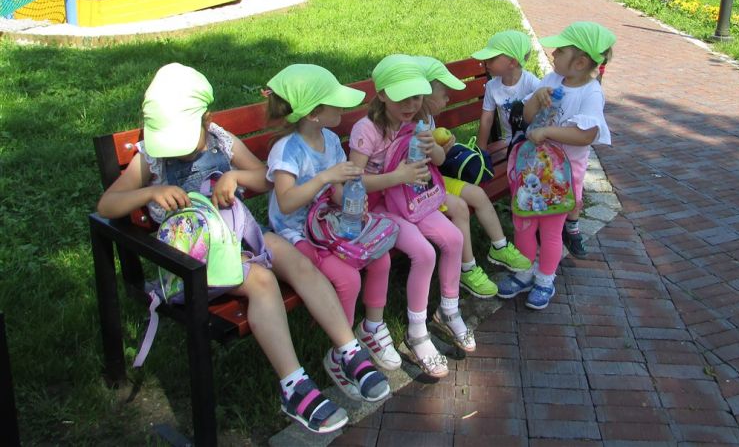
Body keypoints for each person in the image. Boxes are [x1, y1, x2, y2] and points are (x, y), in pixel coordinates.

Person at [96, 63, 388, 435]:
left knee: (296, 262)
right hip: (196, 257)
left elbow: (264, 179)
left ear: (206, 120)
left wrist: (234, 176)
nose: (177, 149)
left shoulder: (221, 140)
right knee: (262, 280)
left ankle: (349, 350)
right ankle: (293, 385)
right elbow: (107, 205)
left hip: (238, 235)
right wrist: (150, 191)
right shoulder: (151, 157)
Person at [263, 64, 402, 397]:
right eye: (335, 102)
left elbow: (338, 190)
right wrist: (324, 178)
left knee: (380, 258)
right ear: (313, 114)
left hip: (329, 222)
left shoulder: (328, 139)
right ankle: (341, 353)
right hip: (296, 233)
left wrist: (352, 202)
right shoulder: (287, 150)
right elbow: (286, 203)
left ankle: (370, 328)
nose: (343, 107)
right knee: (348, 279)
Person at [348, 55, 471, 378]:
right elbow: (353, 182)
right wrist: (397, 177)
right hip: (378, 207)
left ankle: (448, 310)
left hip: (410, 198)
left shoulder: (416, 123)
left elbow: (438, 161)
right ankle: (417, 333)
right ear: (382, 94)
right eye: (402, 97)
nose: (410, 105)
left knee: (454, 237)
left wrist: (434, 147)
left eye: (416, 97)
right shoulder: (367, 130)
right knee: (424, 252)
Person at [496, 22, 616, 310]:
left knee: (550, 231)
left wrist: (549, 132)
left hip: (562, 179)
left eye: (560, 51)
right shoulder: (551, 79)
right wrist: (537, 100)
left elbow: (587, 135)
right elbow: (527, 116)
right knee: (523, 224)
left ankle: (545, 279)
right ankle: (524, 272)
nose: (553, 53)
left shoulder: (591, 93)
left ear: (580, 62)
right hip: (532, 170)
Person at [414, 56, 531, 299]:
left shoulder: (427, 119)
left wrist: (443, 148)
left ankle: (499, 247)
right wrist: (439, 152)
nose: (448, 100)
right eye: (444, 95)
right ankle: (467, 269)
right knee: (460, 207)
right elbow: (424, 164)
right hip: (419, 186)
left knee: (477, 194)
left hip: (433, 177)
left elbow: (437, 161)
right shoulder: (412, 124)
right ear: (424, 96)